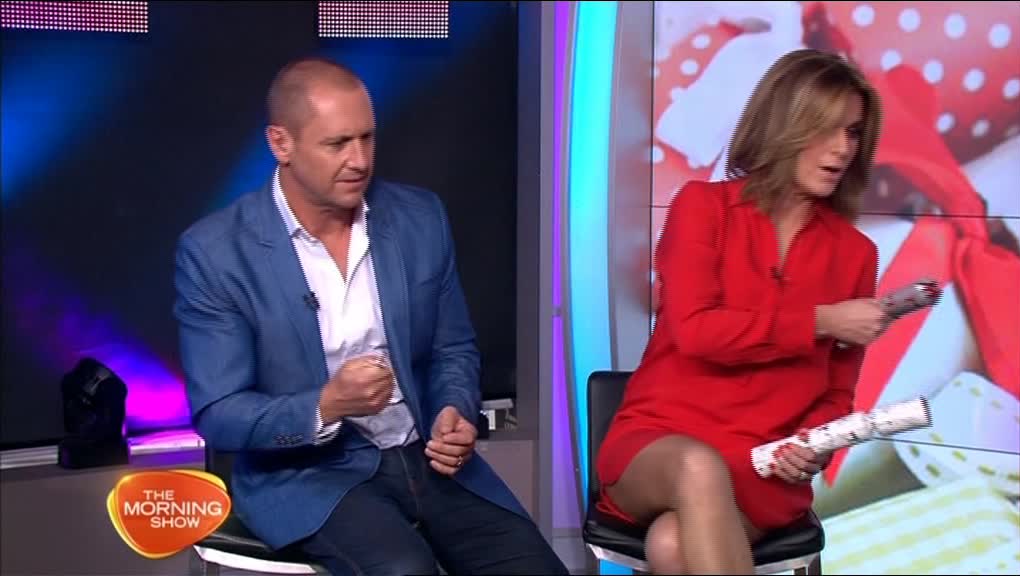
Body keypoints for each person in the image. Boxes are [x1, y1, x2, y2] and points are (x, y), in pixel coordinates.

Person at [173, 56, 567, 576]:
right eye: (337, 144)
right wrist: (325, 405)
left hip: (426, 458)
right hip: (311, 476)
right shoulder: (217, 252)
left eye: (367, 139)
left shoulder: (419, 218)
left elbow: (453, 349)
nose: (359, 160)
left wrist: (454, 409)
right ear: (281, 143)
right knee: (405, 571)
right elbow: (219, 413)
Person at [595, 49, 887, 575]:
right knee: (697, 466)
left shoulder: (856, 254)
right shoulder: (702, 208)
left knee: (672, 546)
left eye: (853, 132)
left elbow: (837, 392)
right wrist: (821, 320)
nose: (843, 148)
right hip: (658, 444)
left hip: (762, 464)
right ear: (783, 125)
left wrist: (813, 443)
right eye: (827, 129)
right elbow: (697, 331)